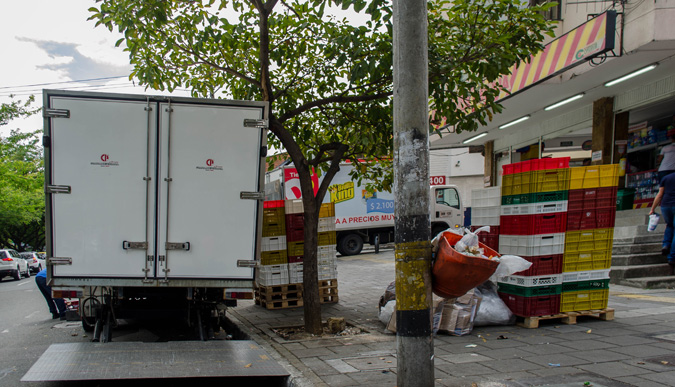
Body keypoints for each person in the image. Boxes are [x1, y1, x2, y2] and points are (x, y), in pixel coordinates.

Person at [650, 172, 675, 276]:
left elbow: (660, 194)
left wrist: (652, 209)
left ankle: (665, 245)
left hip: (665, 206)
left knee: (669, 225)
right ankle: (672, 257)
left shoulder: (666, 178)